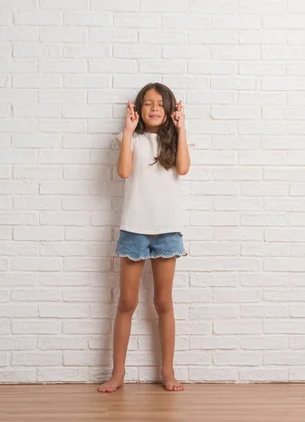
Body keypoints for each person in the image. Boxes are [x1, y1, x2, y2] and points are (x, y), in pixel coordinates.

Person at [98, 82, 191, 393]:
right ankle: (118, 373)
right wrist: (127, 131)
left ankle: (168, 371)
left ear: (169, 109)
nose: (154, 108)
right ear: (139, 108)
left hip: (167, 231)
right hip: (134, 231)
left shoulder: (174, 140)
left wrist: (182, 130)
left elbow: (184, 168)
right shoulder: (133, 139)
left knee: (163, 302)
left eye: (160, 104)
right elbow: (123, 172)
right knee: (126, 302)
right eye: (148, 103)